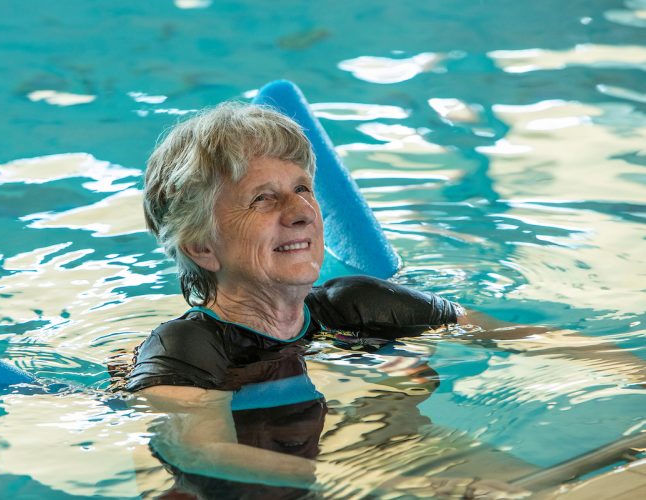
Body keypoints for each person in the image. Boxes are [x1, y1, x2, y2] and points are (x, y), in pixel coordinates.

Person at [124, 102, 530, 498]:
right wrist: (381, 484)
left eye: (302, 188)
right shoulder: (184, 347)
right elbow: (200, 452)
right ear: (201, 247)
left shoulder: (358, 305)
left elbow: (523, 337)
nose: (301, 210)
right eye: (262, 198)